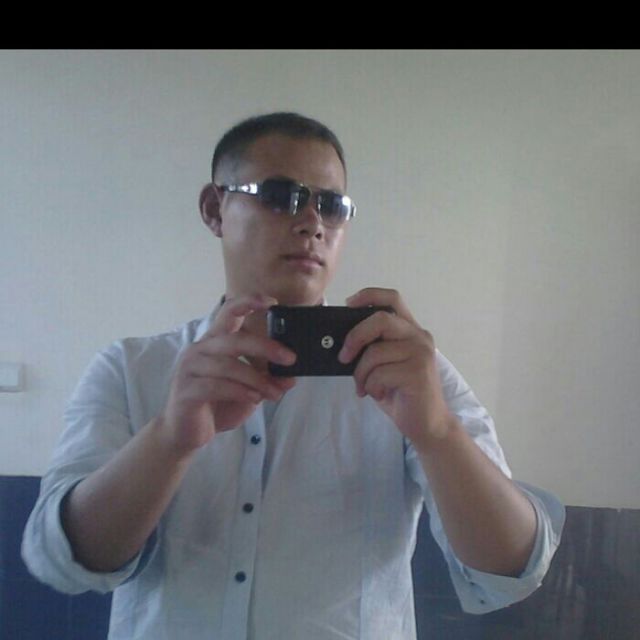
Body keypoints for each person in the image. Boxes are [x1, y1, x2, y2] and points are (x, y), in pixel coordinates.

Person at [22, 112, 565, 640]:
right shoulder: (130, 369)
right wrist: (168, 441)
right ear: (214, 209)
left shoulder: (408, 373)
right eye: (281, 196)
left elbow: (512, 571)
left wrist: (438, 434)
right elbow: (60, 561)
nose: (312, 223)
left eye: (332, 205)